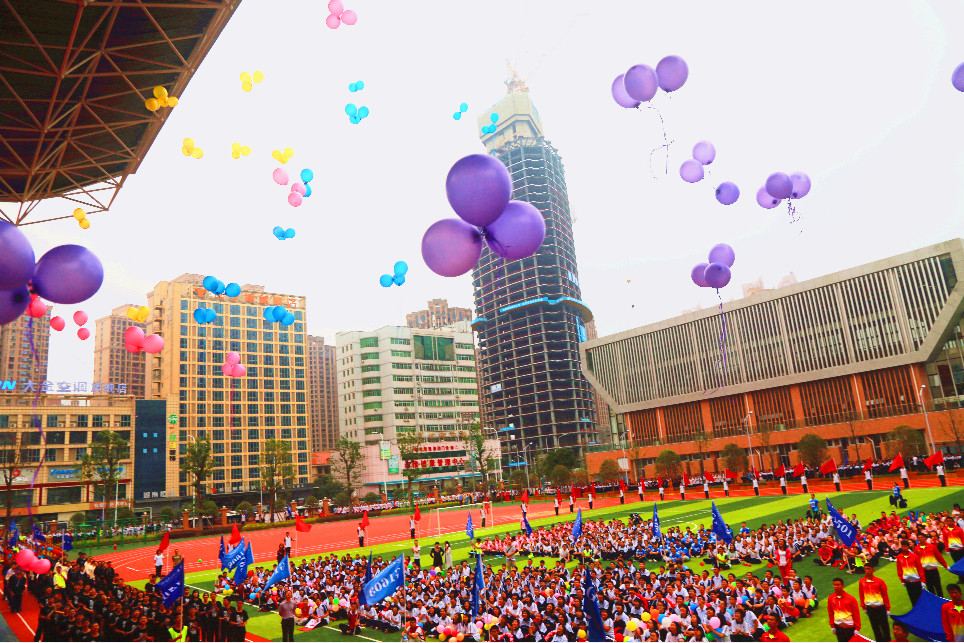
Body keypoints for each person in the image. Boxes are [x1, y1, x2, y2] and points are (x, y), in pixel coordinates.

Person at [858, 564, 890, 642]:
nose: (867, 571)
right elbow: (861, 594)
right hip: (870, 609)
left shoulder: (879, 581)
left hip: (881, 608)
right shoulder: (862, 581)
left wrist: (888, 608)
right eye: (865, 569)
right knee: (875, 628)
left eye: (869, 569)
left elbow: (885, 595)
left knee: (884, 627)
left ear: (873, 570)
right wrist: (863, 606)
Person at [827, 577, 860, 642]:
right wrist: (832, 626)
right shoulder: (831, 598)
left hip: (850, 628)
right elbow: (831, 612)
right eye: (834, 585)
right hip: (838, 627)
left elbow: (856, 614)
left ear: (842, 586)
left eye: (838, 585)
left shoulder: (851, 599)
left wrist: (857, 628)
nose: (836, 587)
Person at [896, 539, 925, 605]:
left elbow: (920, 569)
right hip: (907, 581)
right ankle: (915, 611)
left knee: (920, 597)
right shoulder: (899, 557)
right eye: (902, 546)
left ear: (908, 547)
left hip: (917, 581)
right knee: (912, 598)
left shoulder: (915, 556)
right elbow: (899, 569)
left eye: (905, 546)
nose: (904, 548)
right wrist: (902, 580)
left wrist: (923, 580)